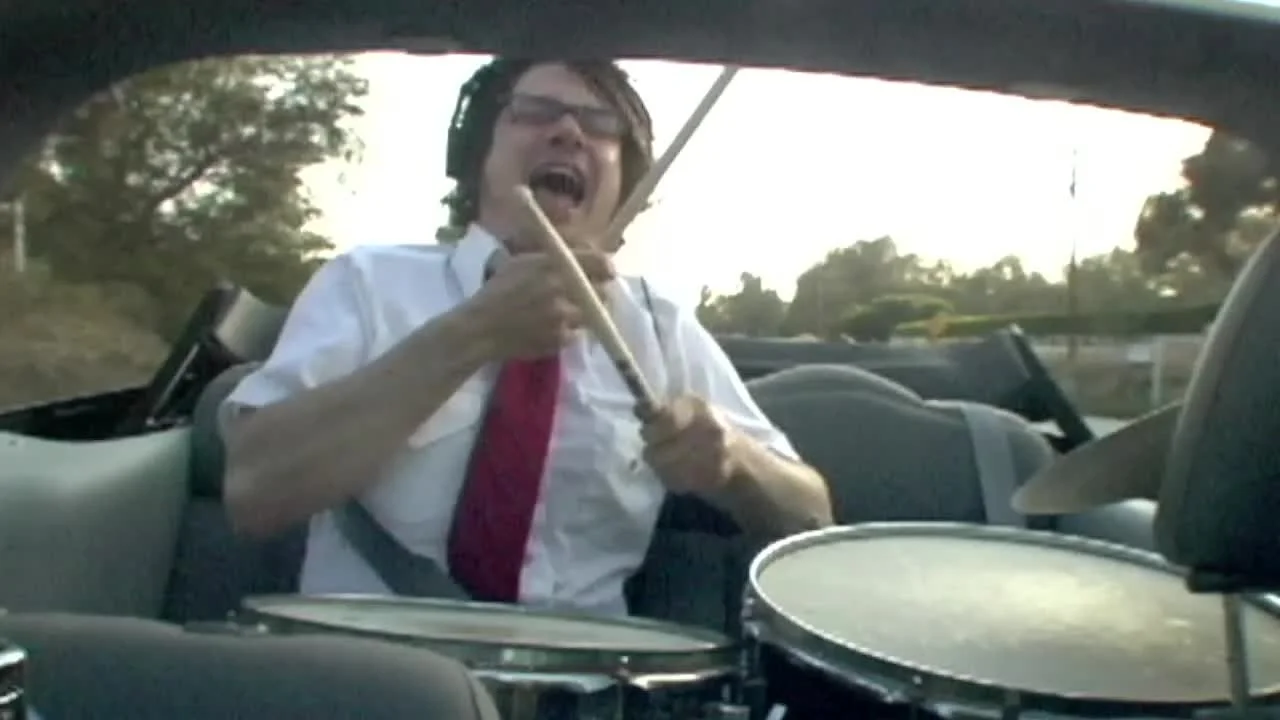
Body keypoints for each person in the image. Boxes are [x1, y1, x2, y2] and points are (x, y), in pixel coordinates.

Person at [219, 57, 833, 618]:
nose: (569, 133)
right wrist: (476, 331)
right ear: (478, 154)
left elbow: (811, 518)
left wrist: (735, 459)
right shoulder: (368, 280)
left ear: (626, 184)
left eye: (600, 124)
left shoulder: (660, 323)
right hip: (370, 673)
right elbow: (254, 494)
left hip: (580, 690)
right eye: (534, 112)